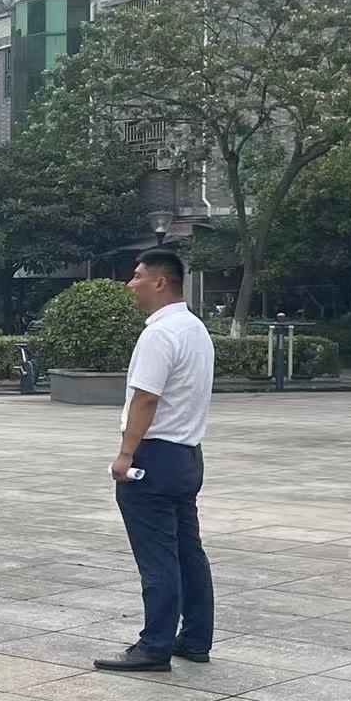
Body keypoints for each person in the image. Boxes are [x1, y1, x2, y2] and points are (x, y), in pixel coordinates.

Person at [95, 250, 215, 673]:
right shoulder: (195, 329)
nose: (131, 284)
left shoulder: (160, 333)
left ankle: (154, 646)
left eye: (137, 276)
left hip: (154, 457)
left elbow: (146, 398)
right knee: (187, 551)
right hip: (186, 454)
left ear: (160, 283)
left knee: (158, 556)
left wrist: (125, 454)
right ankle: (195, 638)